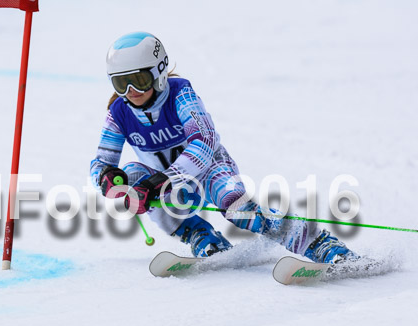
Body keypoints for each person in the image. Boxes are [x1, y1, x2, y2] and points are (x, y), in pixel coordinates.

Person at [90, 31, 359, 264]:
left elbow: (203, 143)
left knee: (237, 208)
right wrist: (107, 178)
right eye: (121, 83)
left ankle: (317, 243)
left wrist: (165, 180)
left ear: (159, 73)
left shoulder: (180, 94)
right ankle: (200, 235)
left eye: (139, 80)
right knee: (133, 175)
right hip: (168, 185)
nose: (131, 91)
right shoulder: (119, 113)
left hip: (210, 170)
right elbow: (101, 163)